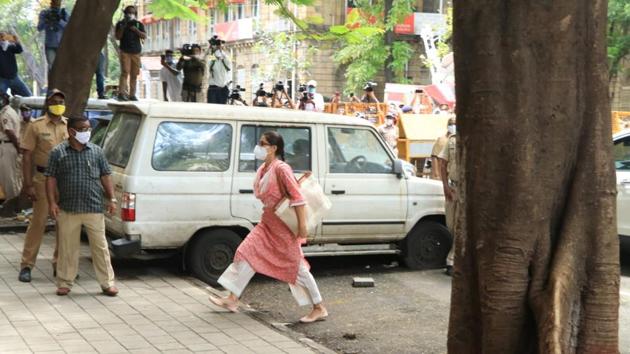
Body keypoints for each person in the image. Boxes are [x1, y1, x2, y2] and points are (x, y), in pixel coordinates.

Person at [209, 131, 328, 323]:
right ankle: (233, 298)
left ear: (273, 148)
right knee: (246, 253)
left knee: (296, 269)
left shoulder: (281, 168)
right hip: (267, 224)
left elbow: (297, 198)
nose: (258, 147)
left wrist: (302, 227)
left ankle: (319, 307)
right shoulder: (264, 169)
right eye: (259, 143)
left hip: (283, 228)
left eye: (263, 144)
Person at [45, 116, 118, 296]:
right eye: (83, 129)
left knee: (100, 247)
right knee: (67, 248)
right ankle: (65, 282)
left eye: (88, 129)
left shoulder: (96, 151)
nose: (87, 132)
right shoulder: (58, 152)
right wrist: (52, 202)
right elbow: (50, 178)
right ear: (71, 131)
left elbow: (106, 175)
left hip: (94, 207)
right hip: (68, 208)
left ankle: (107, 283)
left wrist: (112, 198)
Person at [18, 89, 68, 283]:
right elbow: (27, 156)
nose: (58, 104)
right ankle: (27, 265)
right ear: (48, 103)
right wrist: (27, 184)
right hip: (42, 178)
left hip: (64, 180)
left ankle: (60, 265)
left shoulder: (68, 124)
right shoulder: (36, 126)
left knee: (64, 224)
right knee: (38, 223)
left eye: (61, 101)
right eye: (54, 101)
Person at [438, 118, 457, 276]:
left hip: (468, 189)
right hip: (453, 187)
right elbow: (442, 163)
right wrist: (445, 186)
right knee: (451, 225)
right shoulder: (451, 140)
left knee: (461, 226)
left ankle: (452, 260)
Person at [115, 5, 146, 101]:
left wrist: (136, 30)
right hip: (125, 51)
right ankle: (121, 93)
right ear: (125, 14)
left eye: (132, 13)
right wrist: (124, 27)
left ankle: (132, 94)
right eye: (128, 12)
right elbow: (117, 37)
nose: (130, 14)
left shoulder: (138, 24)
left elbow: (144, 36)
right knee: (125, 72)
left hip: (136, 52)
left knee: (134, 74)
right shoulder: (120, 24)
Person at [0, 93, 21, 204]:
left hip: (8, 146)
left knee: (8, 177)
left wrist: (18, 147)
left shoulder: (5, 113)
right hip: (10, 146)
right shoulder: (10, 111)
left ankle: (11, 203)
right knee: (11, 176)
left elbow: (9, 132)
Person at [37, 0, 68, 71]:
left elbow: (69, 27)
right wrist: (47, 21)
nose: (56, 4)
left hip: (62, 45)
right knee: (52, 67)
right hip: (50, 45)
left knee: (63, 66)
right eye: (55, 2)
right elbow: (39, 27)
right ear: (51, 3)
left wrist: (59, 20)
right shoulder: (45, 13)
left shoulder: (63, 13)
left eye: (58, 2)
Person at [0, 32, 33, 97]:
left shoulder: (10, 47)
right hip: (2, 80)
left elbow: (19, 50)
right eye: (1, 37)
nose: (2, 39)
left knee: (28, 95)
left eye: (4, 37)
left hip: (15, 78)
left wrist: (16, 41)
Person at [206, 36, 231, 104]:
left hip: (222, 88)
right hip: (213, 89)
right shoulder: (211, 57)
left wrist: (219, 51)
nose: (218, 46)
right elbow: (208, 63)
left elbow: (228, 65)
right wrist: (211, 49)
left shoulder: (224, 56)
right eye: (217, 44)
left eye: (219, 44)